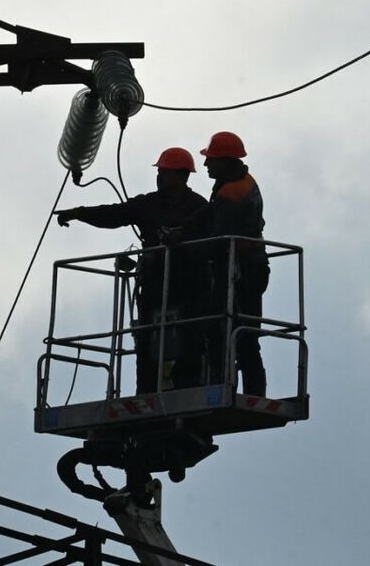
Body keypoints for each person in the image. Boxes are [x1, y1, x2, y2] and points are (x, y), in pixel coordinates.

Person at [55, 148, 208, 393]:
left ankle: (188, 385)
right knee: (147, 337)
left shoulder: (199, 208)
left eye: (163, 172)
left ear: (181, 176)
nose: (159, 177)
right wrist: (80, 213)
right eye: (159, 172)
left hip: (188, 283)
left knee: (190, 334)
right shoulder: (149, 204)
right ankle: (146, 390)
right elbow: (114, 214)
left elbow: (210, 237)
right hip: (154, 282)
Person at [187, 131, 269, 396]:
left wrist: (188, 251)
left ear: (225, 160)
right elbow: (209, 214)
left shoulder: (231, 193)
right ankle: (252, 392)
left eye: (211, 159)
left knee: (220, 330)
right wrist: (185, 228)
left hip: (240, 271)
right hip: (251, 266)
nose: (206, 163)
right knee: (245, 333)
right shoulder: (241, 182)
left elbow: (219, 236)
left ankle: (221, 388)